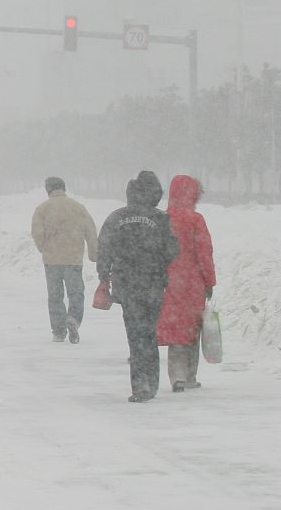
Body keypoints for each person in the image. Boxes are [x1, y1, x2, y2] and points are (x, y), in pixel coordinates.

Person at [98, 170, 180, 402]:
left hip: (127, 284)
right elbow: (172, 250)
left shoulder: (116, 218)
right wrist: (156, 261)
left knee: (135, 335)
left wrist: (104, 274)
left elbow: (103, 249)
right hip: (152, 282)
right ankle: (151, 382)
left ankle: (139, 385)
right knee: (149, 333)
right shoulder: (161, 218)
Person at [157, 175, 217, 393]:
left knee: (176, 330)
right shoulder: (195, 220)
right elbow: (204, 253)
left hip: (169, 282)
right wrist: (210, 281)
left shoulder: (162, 218)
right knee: (191, 329)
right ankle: (190, 375)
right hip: (193, 283)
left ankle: (176, 376)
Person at [31, 177, 98, 343]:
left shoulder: (42, 209)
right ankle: (74, 318)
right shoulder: (78, 208)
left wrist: (43, 247)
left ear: (48, 190)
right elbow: (91, 230)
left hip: (52, 260)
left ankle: (59, 331)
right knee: (76, 293)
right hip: (73, 258)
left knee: (55, 296)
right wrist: (93, 253)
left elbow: (37, 232)